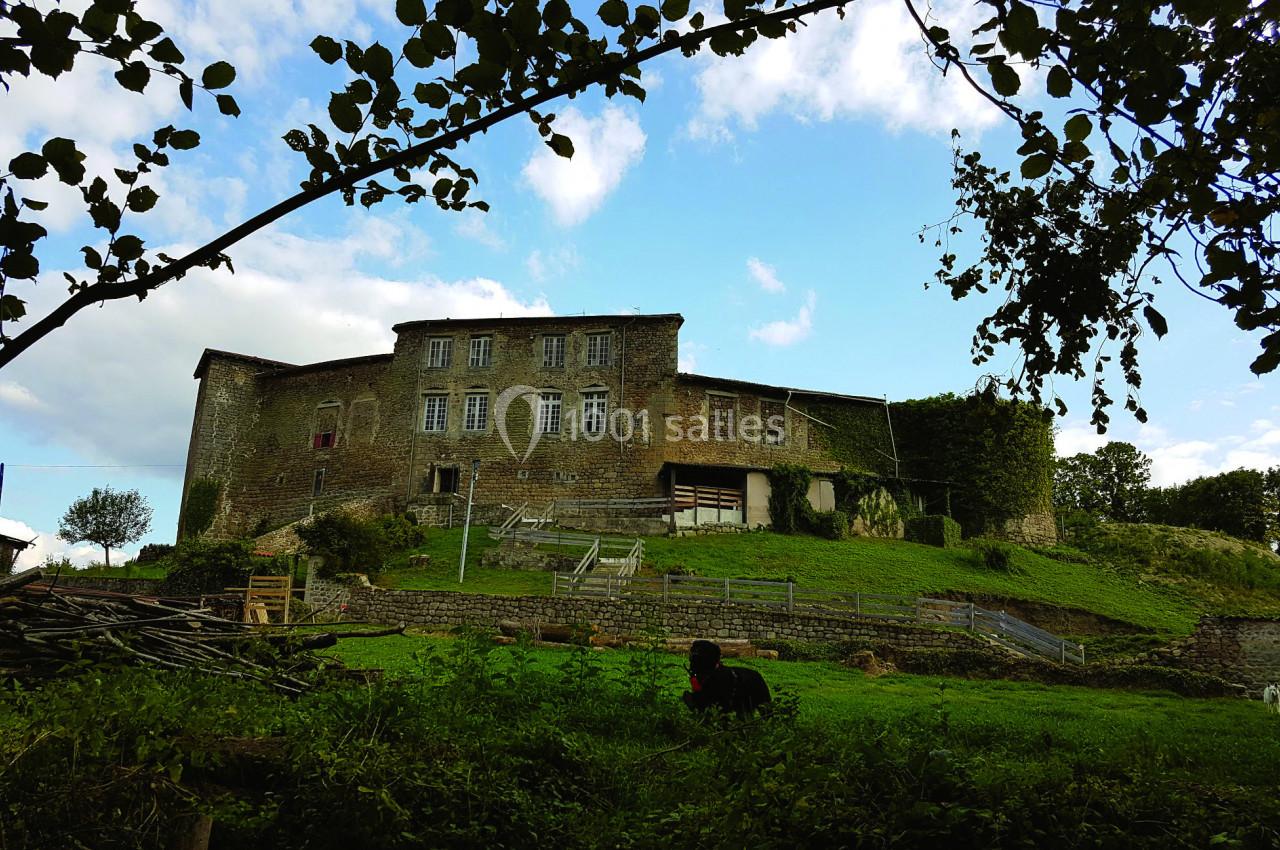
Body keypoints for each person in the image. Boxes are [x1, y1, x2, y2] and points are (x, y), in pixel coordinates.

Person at [681, 639, 771, 717]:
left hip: (753, 685)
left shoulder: (721, 678)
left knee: (764, 714)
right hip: (745, 683)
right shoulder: (702, 676)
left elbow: (722, 709)